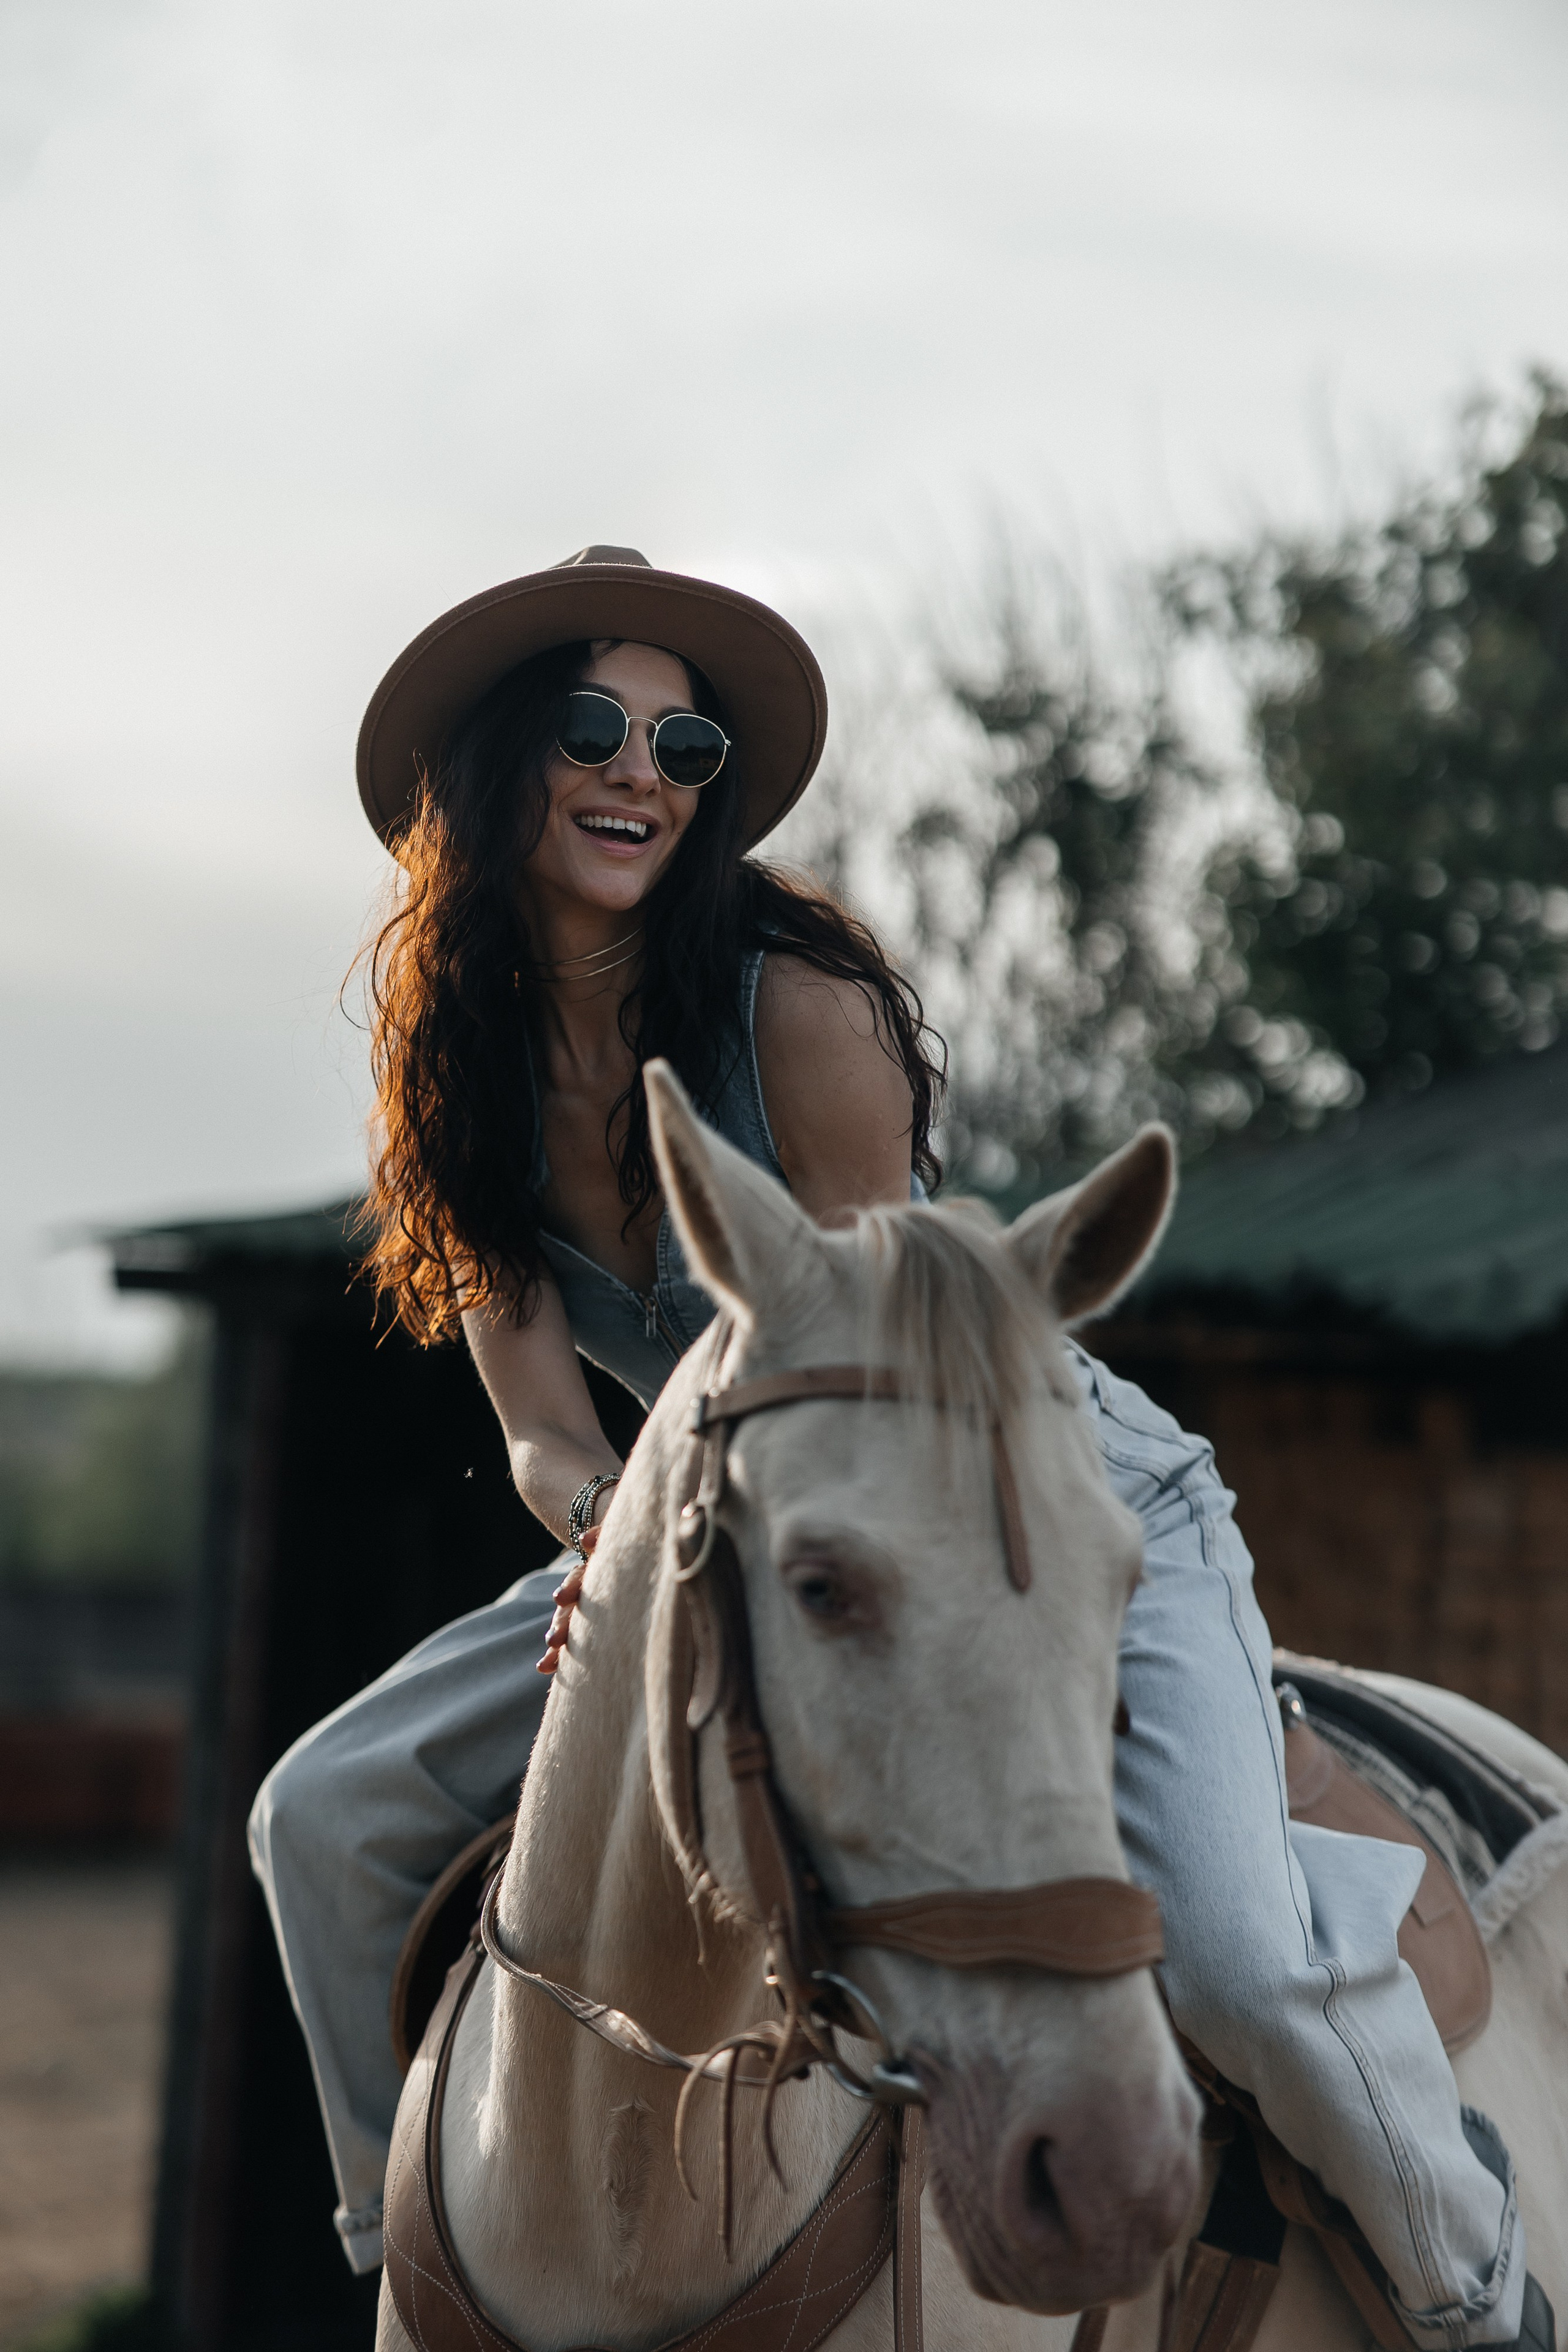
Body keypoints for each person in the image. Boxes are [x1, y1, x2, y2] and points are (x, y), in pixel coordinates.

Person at [249, 547, 1544, 2348]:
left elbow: (907, 1393)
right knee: (317, 1813)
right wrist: (612, 1546)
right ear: (493, 759)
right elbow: (545, 1427)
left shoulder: (801, 1014)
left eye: (684, 744)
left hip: (1015, 1484)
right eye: (594, 726)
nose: (642, 770)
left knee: (1242, 1958)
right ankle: (408, 2258)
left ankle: (1477, 2285)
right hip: (718, 1518)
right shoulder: (454, 1068)